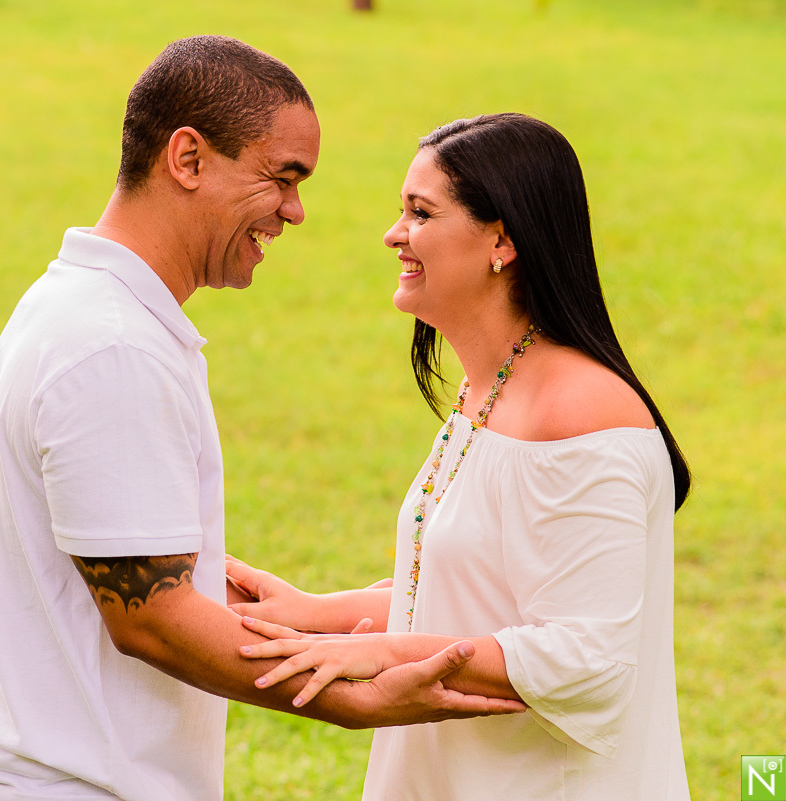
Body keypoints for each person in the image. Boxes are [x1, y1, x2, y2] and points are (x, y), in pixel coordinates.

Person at [0, 39, 524, 801]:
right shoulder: (112, 344)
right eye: (280, 177)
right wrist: (352, 697)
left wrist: (307, 614)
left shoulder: (89, 310)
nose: (295, 210)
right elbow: (149, 618)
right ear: (187, 158)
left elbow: (120, 572)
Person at [227, 113, 693, 800]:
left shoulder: (581, 413)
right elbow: (468, 589)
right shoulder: (486, 388)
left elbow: (590, 657)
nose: (394, 234)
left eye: (420, 212)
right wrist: (313, 611)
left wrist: (387, 653)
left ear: (501, 240)